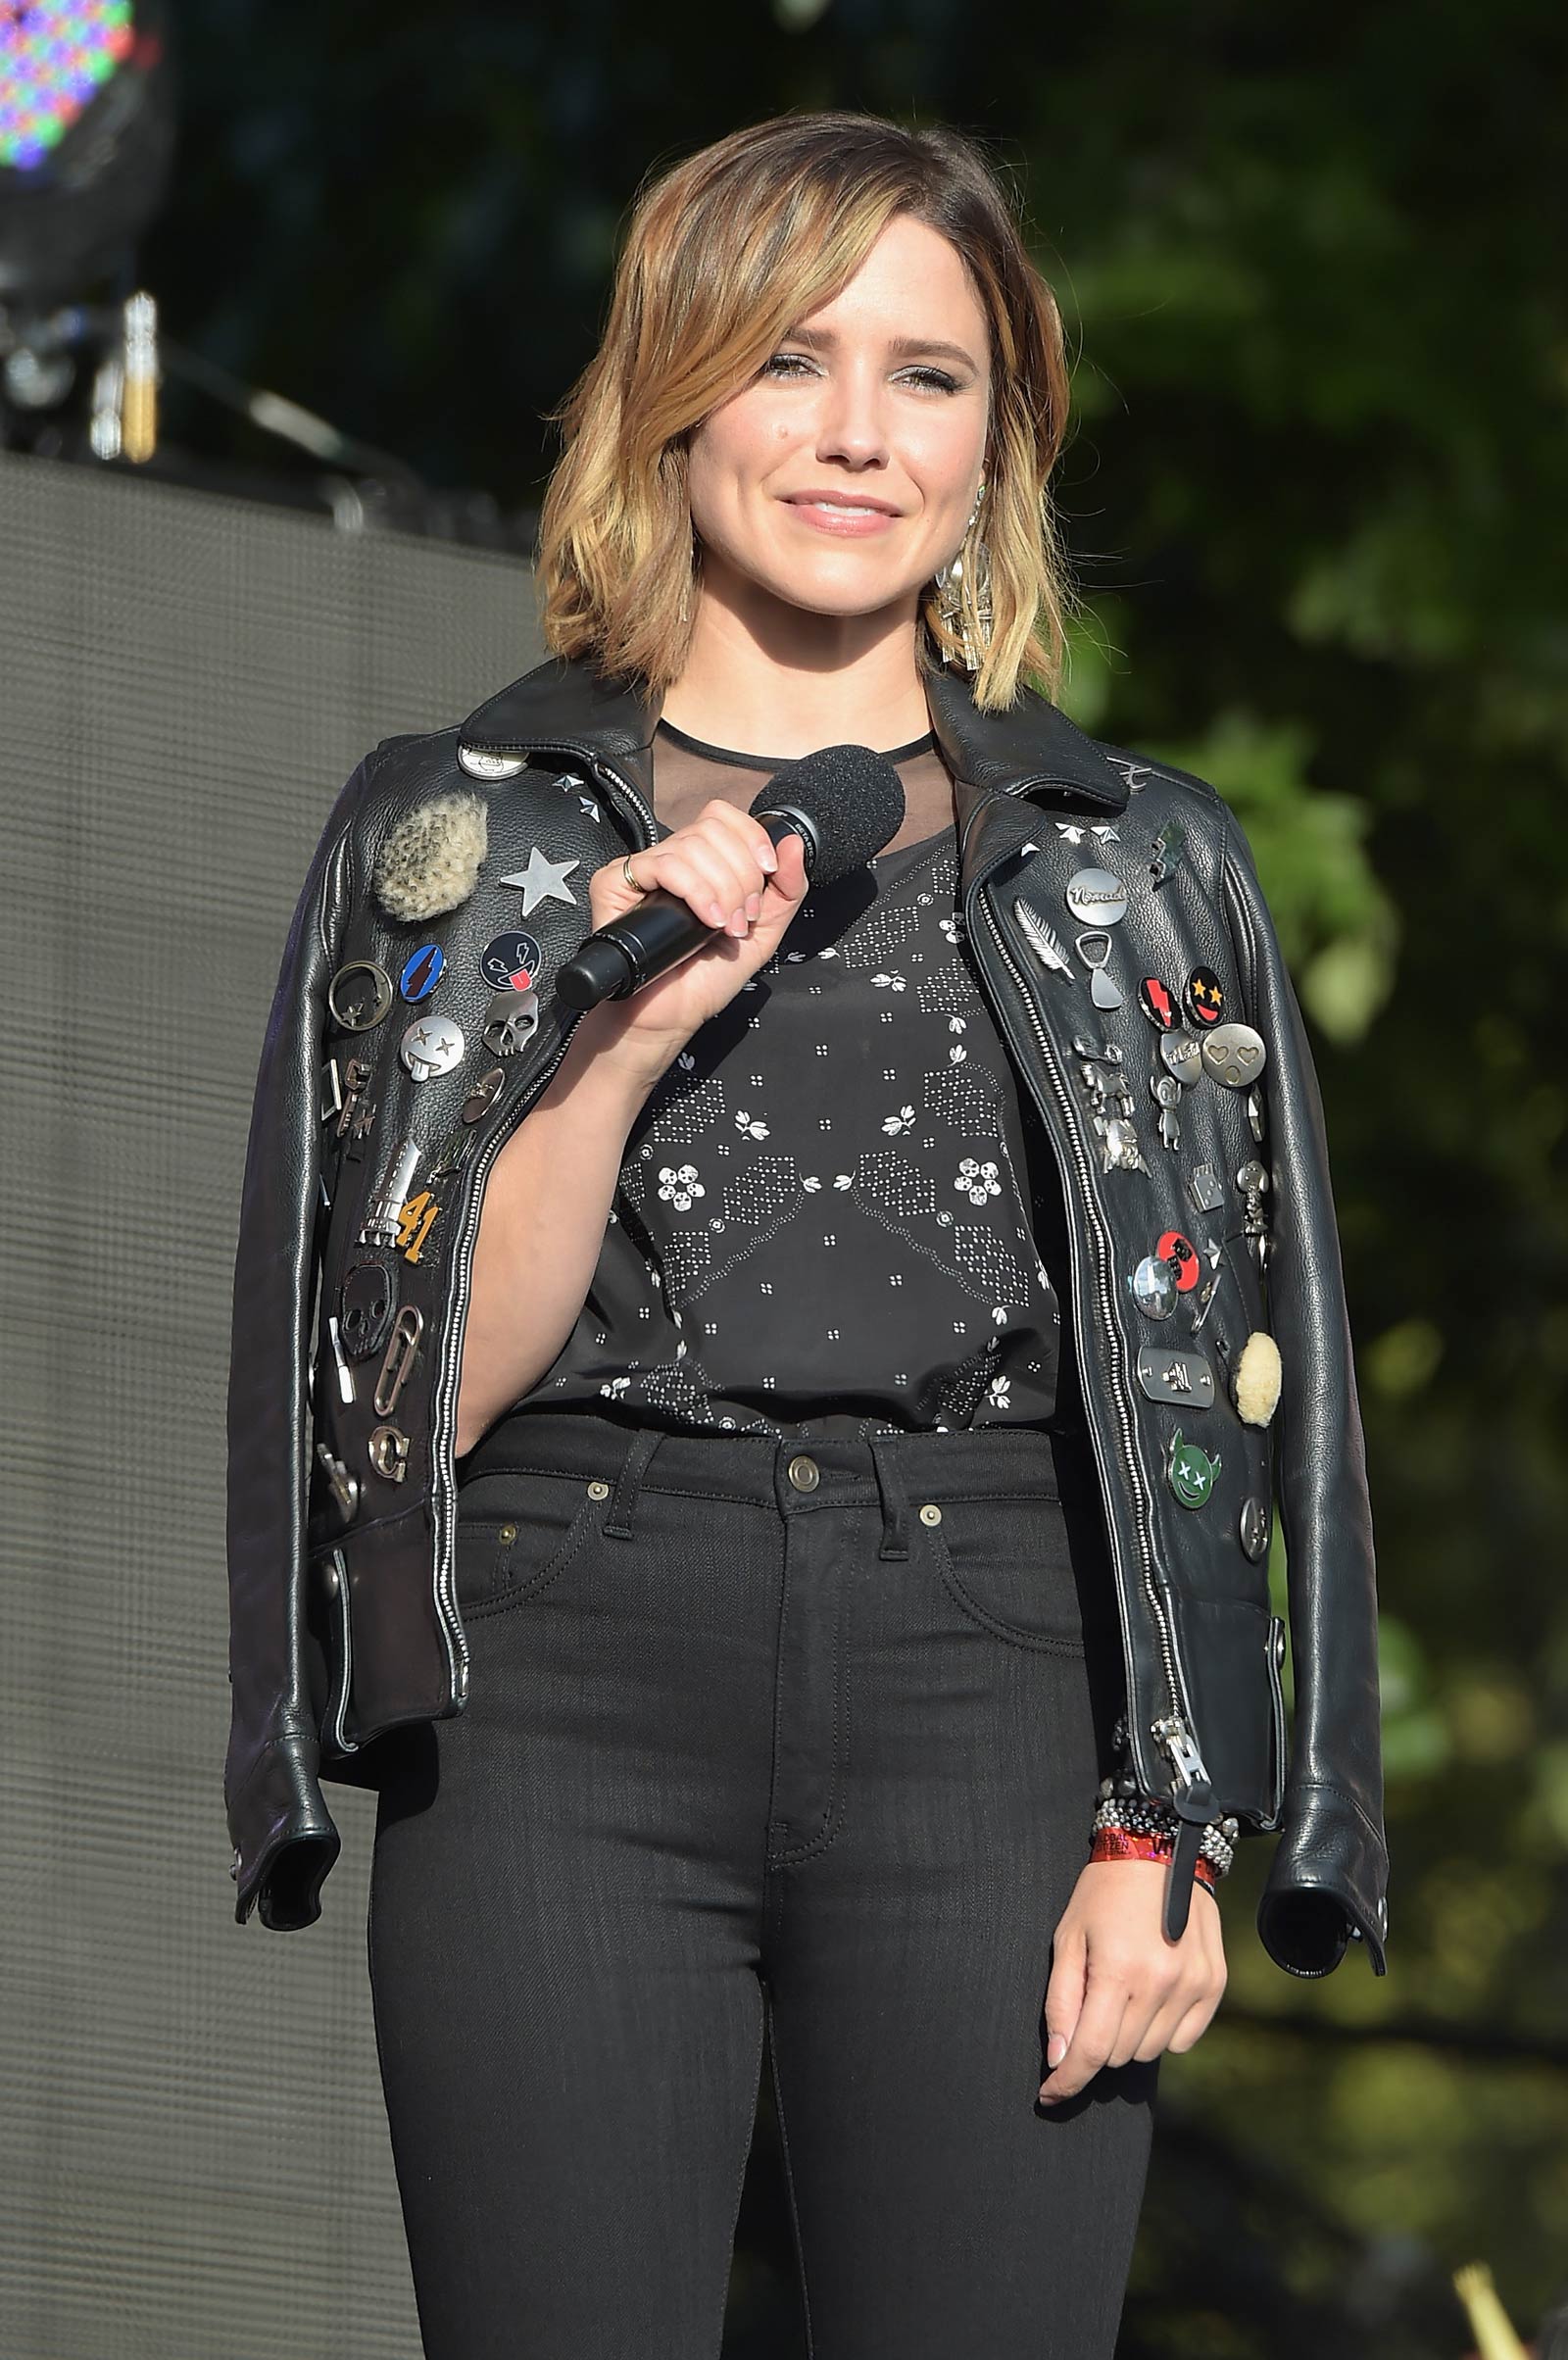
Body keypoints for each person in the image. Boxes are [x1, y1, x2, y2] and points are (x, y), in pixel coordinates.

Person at [224, 110, 1388, 2360]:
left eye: (927, 376)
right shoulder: (456, 829)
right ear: (674, 397)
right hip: (558, 1683)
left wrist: (1177, 1816)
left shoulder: (1131, 857)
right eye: (788, 359)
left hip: (991, 1674)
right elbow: (399, 1416)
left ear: (992, 442)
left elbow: (1229, 1393)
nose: (856, 432)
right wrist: (614, 1032)